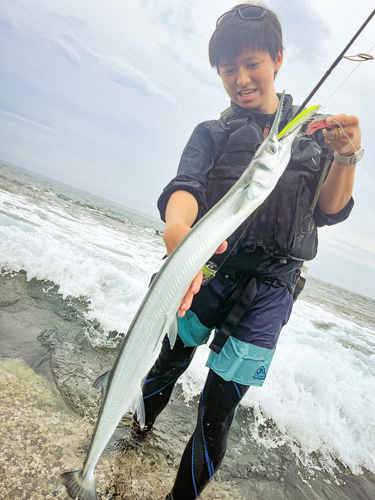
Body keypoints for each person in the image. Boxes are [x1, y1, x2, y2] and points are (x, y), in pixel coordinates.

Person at [132, 4, 363, 499]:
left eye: (252, 63)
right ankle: (135, 438)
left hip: (271, 291)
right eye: (227, 69)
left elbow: (329, 209)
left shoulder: (312, 134)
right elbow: (186, 186)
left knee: (218, 410)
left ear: (277, 58)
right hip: (208, 271)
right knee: (166, 365)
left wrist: (346, 155)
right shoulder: (210, 133)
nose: (241, 79)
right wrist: (178, 227)